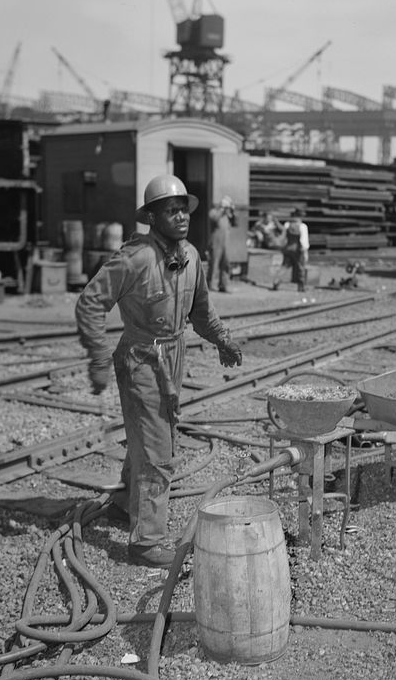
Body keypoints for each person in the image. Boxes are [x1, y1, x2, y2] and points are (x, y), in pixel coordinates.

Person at [74, 174, 243, 568]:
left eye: (184, 208)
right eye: (171, 209)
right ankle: (146, 542)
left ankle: (123, 503)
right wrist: (98, 356)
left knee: (155, 432)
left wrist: (224, 340)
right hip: (140, 358)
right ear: (152, 216)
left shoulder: (192, 257)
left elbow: (201, 312)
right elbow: (89, 304)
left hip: (173, 355)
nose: (181, 216)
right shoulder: (135, 258)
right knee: (158, 451)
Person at [273, 208, 310, 292]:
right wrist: (305, 252)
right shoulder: (302, 226)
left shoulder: (287, 224)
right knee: (301, 267)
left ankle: (276, 281)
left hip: (288, 248)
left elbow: (284, 236)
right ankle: (301, 286)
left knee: (284, 266)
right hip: (298, 250)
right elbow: (303, 241)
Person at [207, 195, 237, 293]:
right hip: (216, 242)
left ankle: (224, 285)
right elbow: (214, 219)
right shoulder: (214, 212)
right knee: (214, 263)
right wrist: (222, 209)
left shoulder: (228, 215)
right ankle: (212, 284)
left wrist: (232, 210)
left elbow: (236, 222)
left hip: (226, 242)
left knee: (226, 263)